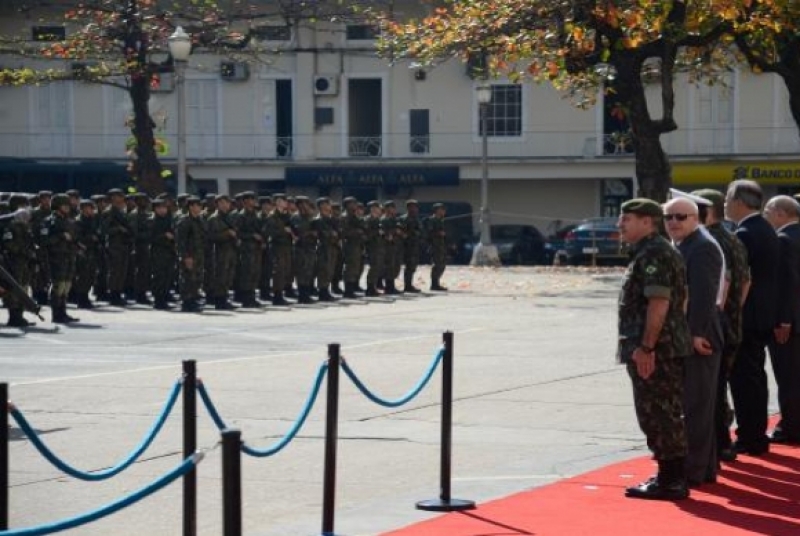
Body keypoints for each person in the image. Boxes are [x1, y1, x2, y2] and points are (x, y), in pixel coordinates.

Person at [617, 198, 692, 501]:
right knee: (660, 413)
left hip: (655, 351)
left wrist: (647, 347)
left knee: (658, 414)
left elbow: (659, 303)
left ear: (648, 221)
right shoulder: (652, 251)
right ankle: (669, 475)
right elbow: (681, 300)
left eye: (627, 219)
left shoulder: (654, 254)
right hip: (662, 347)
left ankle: (671, 481)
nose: (620, 224)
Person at [663, 196, 724, 488]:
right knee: (698, 405)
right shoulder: (687, 244)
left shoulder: (701, 248)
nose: (673, 222)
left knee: (696, 406)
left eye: (681, 217)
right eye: (669, 217)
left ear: (696, 218)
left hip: (699, 336)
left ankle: (693, 470)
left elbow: (704, 296)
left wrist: (695, 334)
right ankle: (704, 468)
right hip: (690, 334)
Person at [692, 188, 750, 463]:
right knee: (717, 387)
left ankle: (717, 445)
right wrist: (732, 312)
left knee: (709, 391)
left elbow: (722, 285)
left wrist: (717, 315)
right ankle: (721, 442)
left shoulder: (707, 241)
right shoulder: (732, 238)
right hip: (731, 324)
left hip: (714, 325)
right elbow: (746, 282)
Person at [725, 179, 779, 456]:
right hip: (762, 315)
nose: (724, 205)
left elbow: (739, 280)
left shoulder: (746, 233)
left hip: (747, 318)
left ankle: (750, 437)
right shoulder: (764, 228)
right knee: (754, 377)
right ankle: (754, 435)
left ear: (738, 202)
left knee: (745, 380)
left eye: (727, 199)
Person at [762, 195, 800, 444]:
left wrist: (783, 320)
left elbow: (788, 284)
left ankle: (791, 428)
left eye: (767, 211)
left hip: (790, 322)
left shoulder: (784, 240)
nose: (765, 216)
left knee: (788, 377)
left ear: (780, 213)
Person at [2, 194, 36, 327]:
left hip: (24, 262)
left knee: (23, 287)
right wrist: (24, 251)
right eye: (24, 205)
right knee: (14, 289)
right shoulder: (9, 225)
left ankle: (20, 315)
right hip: (13, 262)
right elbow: (9, 244)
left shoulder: (25, 225)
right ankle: (14, 316)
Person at [46, 194, 80, 324]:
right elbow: (45, 241)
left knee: (66, 286)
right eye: (64, 205)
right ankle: (56, 314)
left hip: (69, 256)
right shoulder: (50, 221)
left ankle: (63, 312)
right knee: (58, 286)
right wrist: (60, 236)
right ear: (57, 206)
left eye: (67, 205)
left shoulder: (69, 221)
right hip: (57, 258)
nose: (67, 208)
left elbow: (74, 237)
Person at [102, 189, 134, 307]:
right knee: (115, 271)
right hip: (114, 245)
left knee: (122, 271)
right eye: (117, 196)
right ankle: (113, 295)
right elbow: (104, 230)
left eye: (120, 196)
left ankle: (118, 292)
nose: (120, 199)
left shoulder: (121, 211)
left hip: (123, 245)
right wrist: (118, 229)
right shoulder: (109, 212)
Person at [207, 195, 239, 310]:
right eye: (222, 203)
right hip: (219, 252)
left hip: (230, 250)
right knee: (220, 276)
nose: (225, 205)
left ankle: (224, 298)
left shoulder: (229, 218)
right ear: (217, 204)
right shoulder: (213, 219)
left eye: (227, 203)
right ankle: (219, 301)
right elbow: (210, 236)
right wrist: (227, 234)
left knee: (228, 276)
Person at [176, 197, 206, 313]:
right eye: (196, 205)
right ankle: (187, 302)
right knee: (188, 279)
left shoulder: (199, 221)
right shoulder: (185, 221)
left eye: (199, 206)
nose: (198, 208)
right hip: (189, 255)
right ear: (190, 207)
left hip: (198, 254)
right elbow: (181, 241)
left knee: (197, 279)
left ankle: (193, 299)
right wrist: (185, 256)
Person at [150, 198, 177, 310]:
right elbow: (150, 237)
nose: (163, 210)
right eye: (160, 207)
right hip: (158, 252)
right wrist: (164, 236)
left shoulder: (169, 219)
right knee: (159, 276)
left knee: (167, 276)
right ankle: (158, 300)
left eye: (164, 207)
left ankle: (164, 297)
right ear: (155, 209)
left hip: (169, 251)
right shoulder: (152, 221)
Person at [73, 199, 101, 310]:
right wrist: (90, 238)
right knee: (83, 276)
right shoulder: (78, 221)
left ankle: (85, 297)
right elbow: (77, 237)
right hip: (83, 251)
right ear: (83, 209)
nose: (91, 210)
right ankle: (81, 298)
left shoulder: (92, 220)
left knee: (91, 275)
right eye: (89, 208)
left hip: (92, 251)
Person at [340, 196, 365, 299]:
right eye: (353, 203)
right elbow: (343, 232)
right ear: (347, 205)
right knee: (350, 268)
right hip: (349, 245)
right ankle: (348, 290)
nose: (355, 205)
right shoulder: (345, 217)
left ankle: (353, 287)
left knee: (355, 267)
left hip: (357, 244)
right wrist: (357, 232)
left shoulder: (354, 216)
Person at [399, 199, 423, 293]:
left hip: (415, 245)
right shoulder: (404, 219)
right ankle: (407, 286)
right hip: (407, 246)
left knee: (413, 266)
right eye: (412, 207)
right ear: (408, 208)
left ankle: (409, 284)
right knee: (409, 266)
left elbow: (421, 231)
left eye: (415, 207)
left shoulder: (417, 219)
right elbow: (402, 232)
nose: (414, 209)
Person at [363, 200, 385, 297]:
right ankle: (370, 288)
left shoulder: (378, 220)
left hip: (379, 246)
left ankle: (374, 286)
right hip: (372, 247)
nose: (378, 210)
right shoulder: (368, 220)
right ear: (372, 209)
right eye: (376, 208)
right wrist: (377, 232)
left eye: (378, 208)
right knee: (374, 267)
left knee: (378, 267)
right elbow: (366, 234)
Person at [426, 203, 448, 291]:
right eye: (441, 209)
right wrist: (438, 233)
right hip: (435, 245)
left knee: (442, 264)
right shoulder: (432, 220)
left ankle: (437, 282)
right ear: (437, 210)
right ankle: (434, 284)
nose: (443, 211)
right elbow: (429, 232)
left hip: (441, 245)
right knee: (437, 264)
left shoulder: (441, 220)